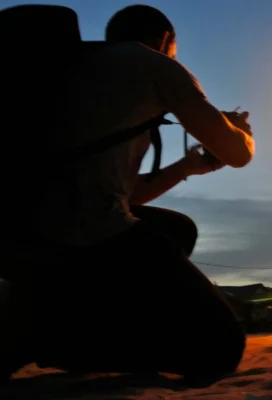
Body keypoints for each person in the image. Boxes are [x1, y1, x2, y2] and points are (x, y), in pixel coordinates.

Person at [1, 5, 254, 385]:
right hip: (81, 235)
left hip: (18, 231)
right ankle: (49, 338)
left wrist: (187, 167)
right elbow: (238, 154)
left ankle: (50, 313)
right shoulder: (151, 63)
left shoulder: (76, 71)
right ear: (166, 41)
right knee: (221, 350)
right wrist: (239, 130)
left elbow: (126, 199)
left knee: (175, 228)